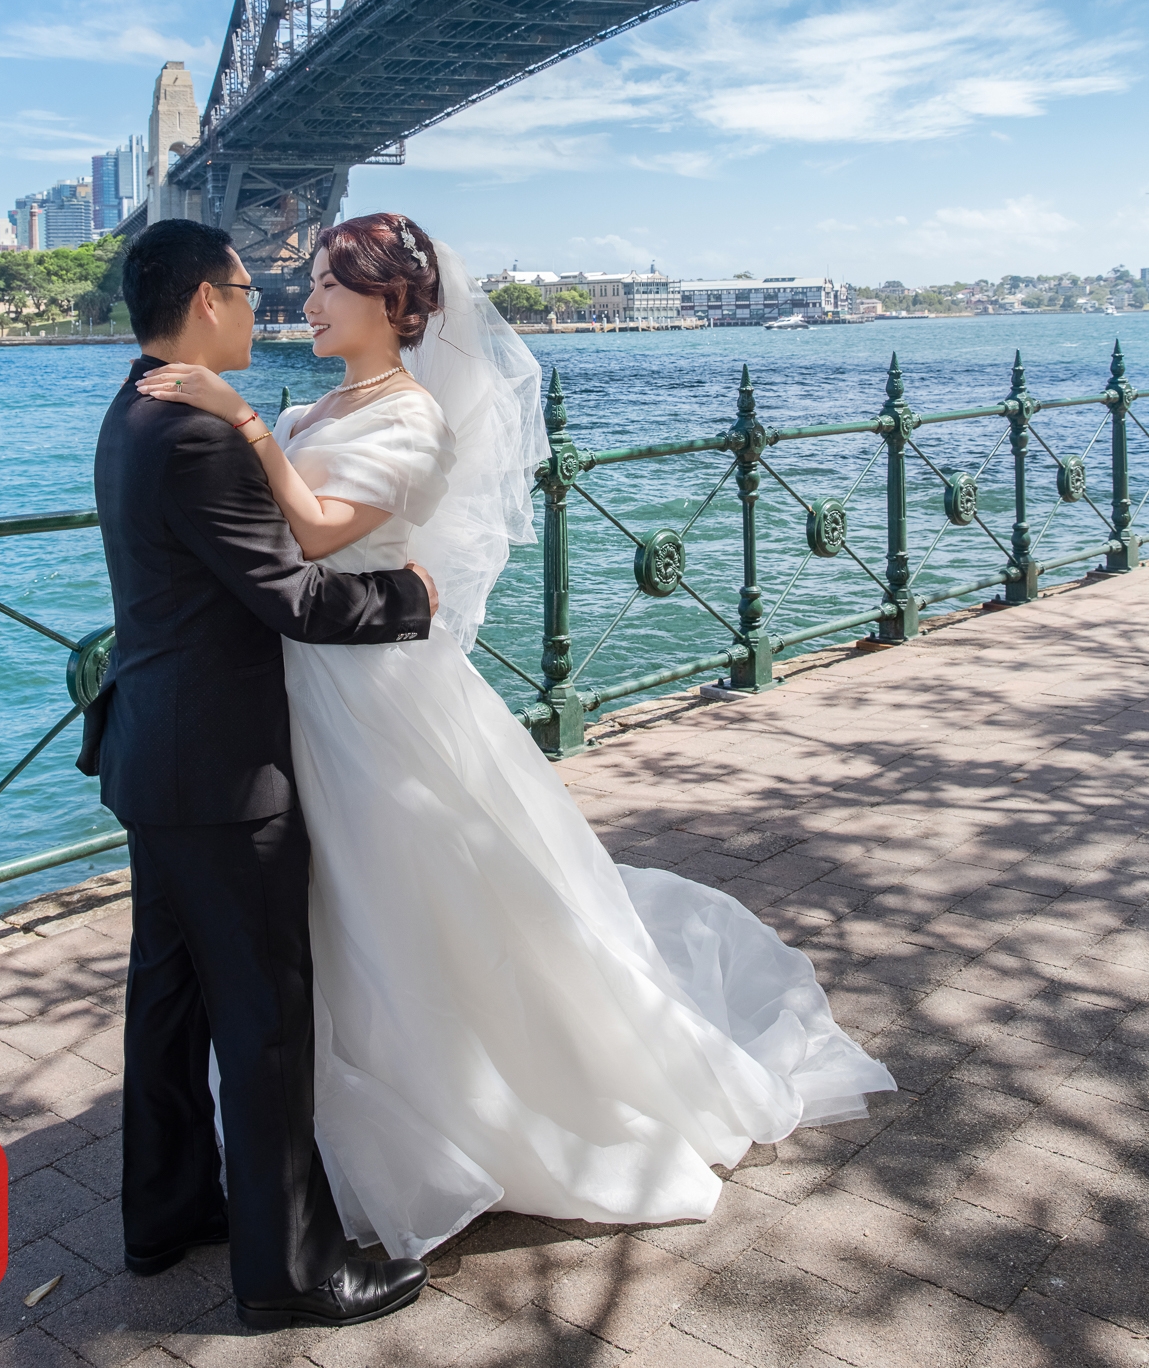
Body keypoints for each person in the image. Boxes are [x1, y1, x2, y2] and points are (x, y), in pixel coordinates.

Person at [136, 213, 895, 1261]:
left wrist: (243, 423)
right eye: (308, 283)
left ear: (391, 303)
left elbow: (313, 532)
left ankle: (462, 1110)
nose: (303, 304)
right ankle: (329, 1126)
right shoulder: (321, 405)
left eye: (327, 286)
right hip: (303, 682)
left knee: (398, 891)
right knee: (336, 907)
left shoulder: (412, 418)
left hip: (372, 691)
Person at [85, 218, 436, 1332]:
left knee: (170, 999)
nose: (265, 305)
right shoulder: (198, 432)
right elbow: (292, 596)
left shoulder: (134, 407)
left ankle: (167, 1213)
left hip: (154, 752)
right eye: (247, 290)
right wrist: (410, 597)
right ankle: (289, 1271)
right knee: (264, 1015)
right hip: (222, 769)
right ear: (205, 300)